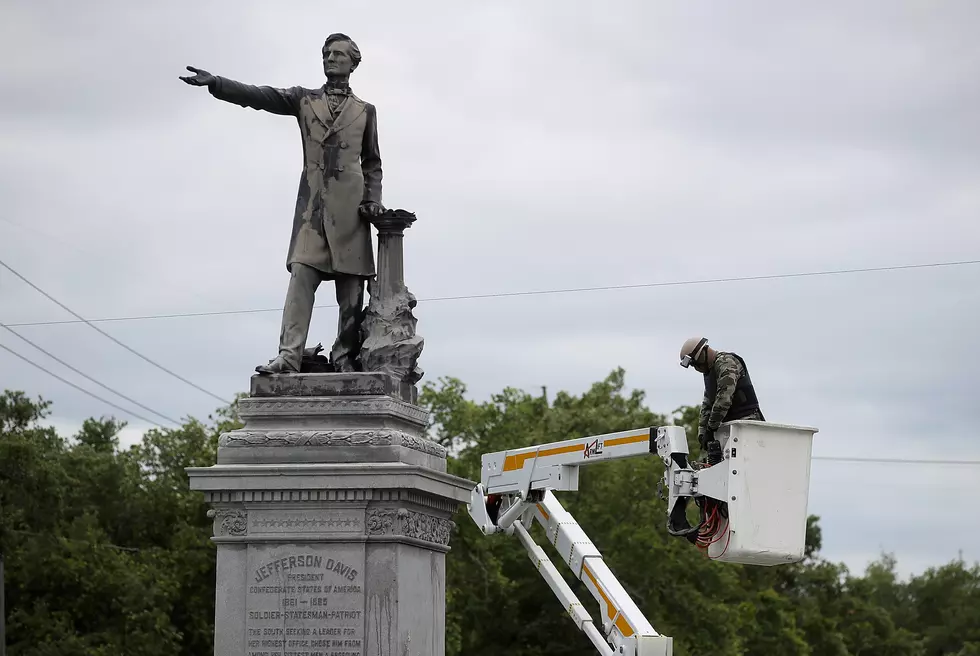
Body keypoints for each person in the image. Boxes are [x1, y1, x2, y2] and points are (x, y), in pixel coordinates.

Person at [180, 33, 384, 374]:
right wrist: (217, 83)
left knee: (352, 291)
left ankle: (345, 357)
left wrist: (373, 201)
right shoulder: (304, 99)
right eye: (326, 54)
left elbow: (372, 164)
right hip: (312, 211)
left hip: (352, 213)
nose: (331, 59)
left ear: (353, 62)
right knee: (301, 277)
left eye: (338, 54)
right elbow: (260, 96)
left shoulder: (365, 111)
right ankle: (288, 356)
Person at [678, 336, 765, 461]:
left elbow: (724, 399)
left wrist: (711, 428)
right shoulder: (710, 373)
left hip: (747, 423)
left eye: (695, 365)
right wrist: (703, 434)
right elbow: (707, 404)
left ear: (702, 356)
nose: (696, 369)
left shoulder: (726, 363)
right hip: (729, 428)